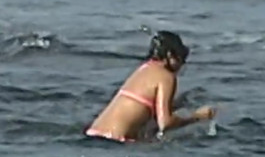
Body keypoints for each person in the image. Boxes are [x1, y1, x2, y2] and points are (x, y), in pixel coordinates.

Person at [84, 31, 215, 143]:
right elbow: (165, 123)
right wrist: (198, 116)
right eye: (181, 57)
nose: (182, 64)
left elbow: (145, 111)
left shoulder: (144, 69)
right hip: (114, 142)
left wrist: (177, 105)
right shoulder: (166, 76)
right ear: (170, 55)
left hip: (94, 135)